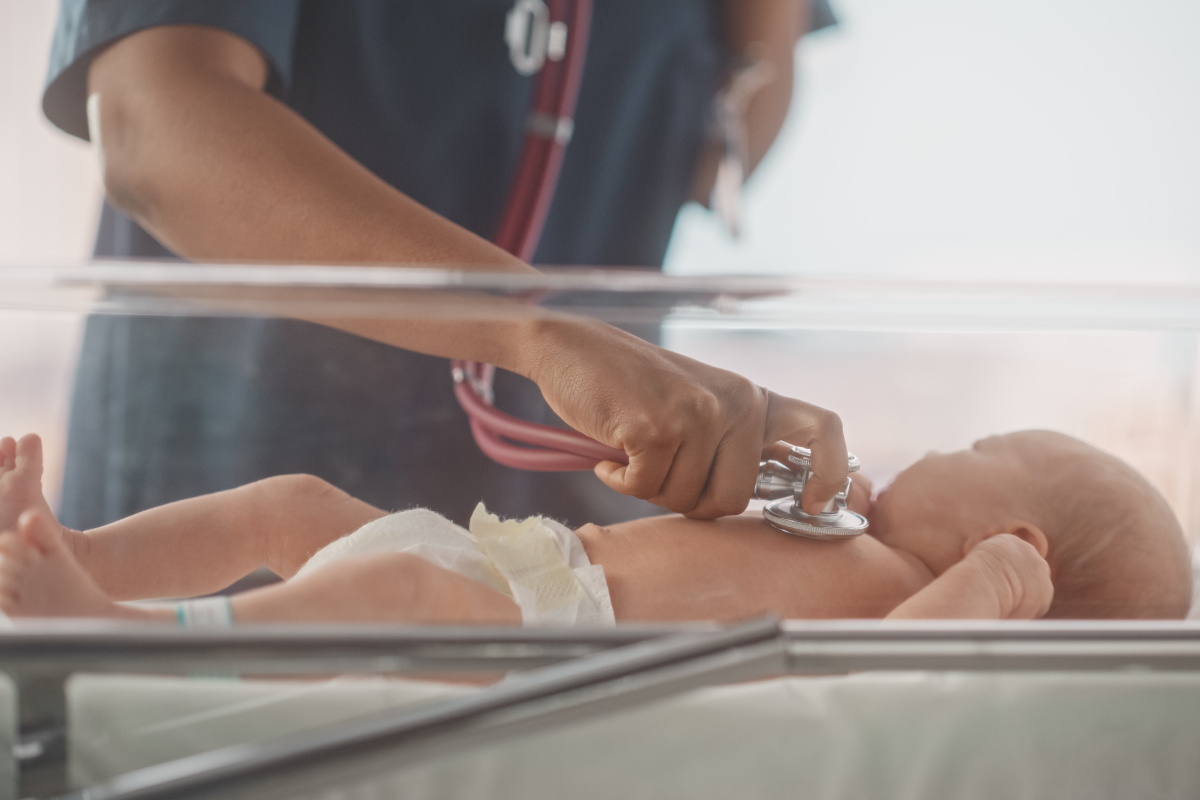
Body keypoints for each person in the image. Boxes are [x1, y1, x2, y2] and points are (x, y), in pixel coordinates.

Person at [41, 1, 840, 533]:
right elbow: (157, 127)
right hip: (235, 498)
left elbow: (723, 152)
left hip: (575, 533)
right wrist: (535, 332)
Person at [0, 431, 1190, 624]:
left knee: (406, 586)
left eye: (972, 451)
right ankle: (78, 553)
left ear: (1019, 538)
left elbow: (937, 654)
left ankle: (109, 622)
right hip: (529, 550)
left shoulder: (903, 601)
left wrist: (997, 581)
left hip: (550, 625)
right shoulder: (846, 541)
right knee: (295, 502)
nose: (936, 448)